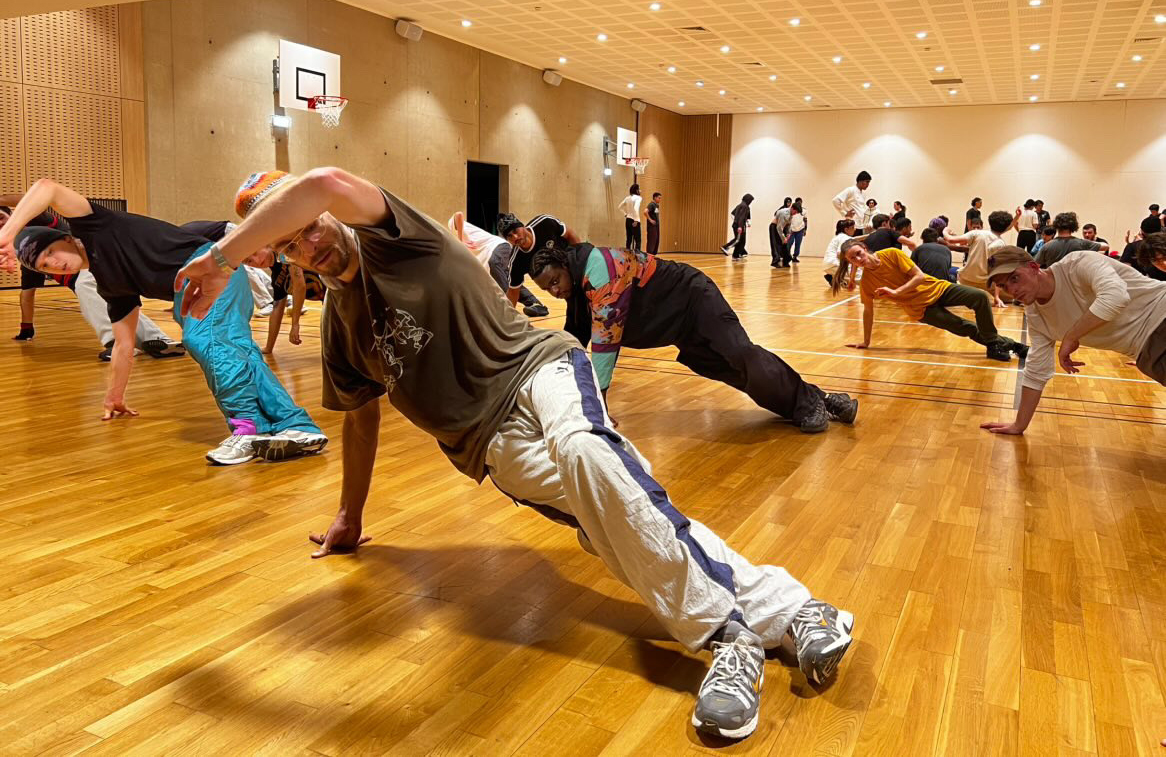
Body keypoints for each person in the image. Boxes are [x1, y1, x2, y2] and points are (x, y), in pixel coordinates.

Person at [172, 166, 856, 742]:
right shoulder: (339, 330)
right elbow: (359, 420)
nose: (308, 246)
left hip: (538, 371)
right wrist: (350, 514)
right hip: (489, 445)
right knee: (613, 520)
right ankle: (795, 612)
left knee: (588, 457)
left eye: (307, 227)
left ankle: (727, 640)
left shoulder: (395, 236)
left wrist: (221, 257)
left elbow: (324, 182)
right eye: (289, 246)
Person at [0, 176, 327, 465]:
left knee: (205, 340)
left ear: (66, 239)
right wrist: (114, 396)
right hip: (192, 292)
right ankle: (295, 425)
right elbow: (124, 345)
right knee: (238, 351)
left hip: (212, 269)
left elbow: (47, 187)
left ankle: (249, 428)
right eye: (45, 267)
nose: (54, 264)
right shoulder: (109, 283)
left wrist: (8, 233)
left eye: (50, 253)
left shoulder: (95, 226)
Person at [529, 244, 858, 432]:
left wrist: (598, 406)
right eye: (547, 289)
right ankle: (820, 399)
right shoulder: (577, 287)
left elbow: (605, 339)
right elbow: (573, 343)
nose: (554, 291)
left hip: (693, 298)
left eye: (555, 281)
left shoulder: (601, 269)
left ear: (565, 266)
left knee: (740, 353)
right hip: (677, 328)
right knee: (732, 371)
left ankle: (810, 403)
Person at [981, 246, 1166, 435]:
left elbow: (1116, 296)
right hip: (1146, 351)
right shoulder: (1036, 315)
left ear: (1034, 267)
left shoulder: (1078, 264)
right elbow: (1037, 370)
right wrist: (1019, 425)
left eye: (1014, 278)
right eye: (1004, 286)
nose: (1012, 290)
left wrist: (1072, 336)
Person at [2, 205, 185, 359]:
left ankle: (115, 342)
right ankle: (161, 341)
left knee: (85, 286)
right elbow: (27, 294)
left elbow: (43, 192)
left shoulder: (39, 224)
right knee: (118, 307)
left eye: (1, 217)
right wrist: (27, 328)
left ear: (12, 214)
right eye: (45, 264)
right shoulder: (29, 258)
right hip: (96, 278)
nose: (52, 262)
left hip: (97, 262)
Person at [833, 238, 1027, 361]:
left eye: (858, 254)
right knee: (965, 327)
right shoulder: (867, 282)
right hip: (922, 310)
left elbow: (919, 276)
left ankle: (993, 344)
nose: (858, 259)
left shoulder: (892, 254)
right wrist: (866, 341)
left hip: (937, 288)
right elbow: (868, 311)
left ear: (864, 248)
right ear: (850, 263)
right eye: (853, 259)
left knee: (980, 297)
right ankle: (1013, 346)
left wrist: (897, 292)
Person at [448, 212, 549, 317]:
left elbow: (458, 214)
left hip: (497, 246)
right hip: (490, 255)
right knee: (510, 281)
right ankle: (535, 304)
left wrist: (460, 239)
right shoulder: (457, 254)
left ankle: (508, 308)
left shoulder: (452, 230)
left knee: (494, 263)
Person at [240, 247, 326, 353]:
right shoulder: (277, 279)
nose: (257, 261)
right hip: (328, 299)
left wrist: (295, 324)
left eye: (255, 253)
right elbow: (277, 309)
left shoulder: (285, 252)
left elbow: (299, 285)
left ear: (265, 245)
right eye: (249, 261)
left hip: (338, 288)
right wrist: (269, 347)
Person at [498, 212, 582, 305]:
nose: (515, 237)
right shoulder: (516, 261)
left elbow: (570, 234)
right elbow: (513, 293)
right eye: (509, 236)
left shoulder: (545, 223)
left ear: (522, 226)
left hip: (573, 268)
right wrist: (507, 313)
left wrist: (580, 262)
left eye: (515, 231)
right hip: (562, 285)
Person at [944, 208, 1016, 307]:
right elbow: (999, 272)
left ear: (990, 222)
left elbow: (950, 240)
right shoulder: (1001, 244)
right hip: (986, 282)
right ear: (1006, 228)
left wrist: (945, 230)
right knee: (1012, 297)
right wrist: (997, 297)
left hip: (965, 279)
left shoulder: (977, 233)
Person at [1035, 212, 1109, 267]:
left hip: (1054, 281)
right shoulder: (1082, 243)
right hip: (1076, 282)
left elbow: (1035, 266)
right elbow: (1106, 246)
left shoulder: (1047, 246)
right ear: (1073, 226)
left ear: (1056, 226)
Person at [823, 218, 863, 287]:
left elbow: (854, 239)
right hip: (834, 264)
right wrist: (854, 261)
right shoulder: (845, 238)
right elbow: (839, 254)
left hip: (828, 264)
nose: (855, 229)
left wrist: (868, 235)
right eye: (852, 227)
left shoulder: (840, 236)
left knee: (851, 276)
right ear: (846, 229)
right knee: (861, 278)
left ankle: (835, 277)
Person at [722, 193, 753, 259]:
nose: (751, 202)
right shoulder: (744, 206)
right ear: (748, 200)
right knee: (738, 239)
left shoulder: (741, 206)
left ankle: (737, 254)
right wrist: (739, 225)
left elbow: (733, 214)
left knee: (742, 240)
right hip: (739, 226)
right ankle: (725, 247)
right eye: (750, 200)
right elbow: (741, 217)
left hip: (738, 225)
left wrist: (740, 222)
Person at [617, 184, 643, 252]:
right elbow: (636, 208)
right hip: (634, 220)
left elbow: (619, 207)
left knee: (629, 239)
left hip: (628, 220)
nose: (640, 190)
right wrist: (636, 220)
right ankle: (637, 256)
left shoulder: (627, 198)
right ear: (637, 190)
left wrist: (625, 214)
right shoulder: (638, 198)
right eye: (639, 189)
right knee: (638, 240)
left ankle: (627, 255)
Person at [770, 203, 792, 268]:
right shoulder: (783, 212)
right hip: (775, 227)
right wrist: (783, 238)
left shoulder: (792, 214)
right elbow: (779, 227)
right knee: (775, 244)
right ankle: (775, 261)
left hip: (783, 228)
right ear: (793, 208)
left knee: (785, 245)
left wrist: (788, 234)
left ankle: (786, 261)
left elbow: (788, 225)